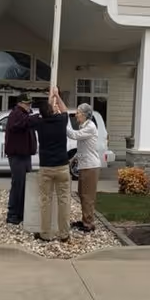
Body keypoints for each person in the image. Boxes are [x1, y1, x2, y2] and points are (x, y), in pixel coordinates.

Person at [52, 92, 100, 232]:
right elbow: (82, 147)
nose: (76, 115)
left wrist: (63, 119)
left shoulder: (90, 127)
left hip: (91, 166)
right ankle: (85, 219)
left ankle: (89, 224)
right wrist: (73, 159)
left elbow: (73, 135)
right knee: (82, 193)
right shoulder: (84, 125)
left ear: (85, 114)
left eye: (78, 113)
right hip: (85, 165)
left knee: (88, 195)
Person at [31, 89, 71, 242]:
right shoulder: (61, 121)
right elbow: (64, 109)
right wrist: (57, 96)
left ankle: (46, 234)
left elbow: (40, 115)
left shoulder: (39, 123)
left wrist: (49, 102)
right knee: (64, 200)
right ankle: (64, 234)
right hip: (62, 166)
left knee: (45, 201)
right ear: (53, 109)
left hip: (46, 167)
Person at [4, 93, 37, 225]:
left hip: (25, 155)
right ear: (19, 103)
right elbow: (21, 124)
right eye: (27, 103)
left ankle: (21, 213)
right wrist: (37, 117)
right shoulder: (16, 114)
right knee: (18, 184)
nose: (29, 106)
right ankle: (12, 214)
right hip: (17, 156)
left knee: (25, 185)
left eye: (30, 103)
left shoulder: (24, 115)